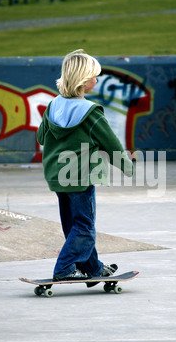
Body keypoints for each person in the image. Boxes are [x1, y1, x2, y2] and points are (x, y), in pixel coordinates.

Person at [37, 49, 133, 283]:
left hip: (57, 176)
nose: (96, 80)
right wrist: (127, 167)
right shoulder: (91, 112)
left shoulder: (53, 107)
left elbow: (41, 137)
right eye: (93, 76)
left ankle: (94, 269)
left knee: (73, 225)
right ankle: (64, 269)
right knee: (85, 227)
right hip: (79, 177)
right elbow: (112, 144)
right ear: (83, 80)